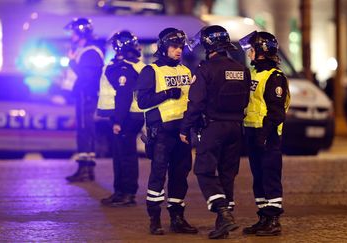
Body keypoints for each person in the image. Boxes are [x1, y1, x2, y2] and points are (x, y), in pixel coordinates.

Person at [180, 25, 251, 239]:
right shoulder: (241, 69)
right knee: (227, 174)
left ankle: (222, 211)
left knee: (204, 170)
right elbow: (245, 100)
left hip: (213, 127)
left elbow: (196, 103)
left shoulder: (206, 69)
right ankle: (223, 223)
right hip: (236, 128)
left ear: (208, 46)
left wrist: (185, 128)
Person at [136, 27, 198, 235]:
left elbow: (191, 101)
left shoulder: (185, 71)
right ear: (164, 47)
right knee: (158, 177)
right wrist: (166, 93)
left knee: (180, 176)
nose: (179, 50)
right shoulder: (150, 71)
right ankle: (154, 220)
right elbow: (142, 102)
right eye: (174, 46)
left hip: (182, 133)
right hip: (161, 133)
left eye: (180, 47)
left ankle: (177, 218)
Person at [238, 31, 290, 236]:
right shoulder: (254, 74)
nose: (249, 53)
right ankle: (263, 217)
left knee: (270, 178)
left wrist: (264, 134)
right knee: (258, 178)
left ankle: (274, 220)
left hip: (267, 136)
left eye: (251, 50)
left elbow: (277, 112)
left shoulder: (274, 77)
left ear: (260, 52)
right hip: (253, 132)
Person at [97, 30, 145, 207]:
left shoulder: (124, 67)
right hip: (130, 115)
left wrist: (118, 121)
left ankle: (127, 193)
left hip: (126, 117)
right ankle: (120, 192)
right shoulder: (134, 64)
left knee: (125, 156)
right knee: (120, 155)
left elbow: (124, 95)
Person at [63, 18, 104, 183]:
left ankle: (86, 170)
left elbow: (86, 76)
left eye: (73, 32)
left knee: (85, 131)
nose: (71, 35)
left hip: (86, 96)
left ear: (81, 33)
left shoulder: (90, 52)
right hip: (82, 96)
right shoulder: (84, 50)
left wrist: (72, 62)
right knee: (83, 131)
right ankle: (84, 169)